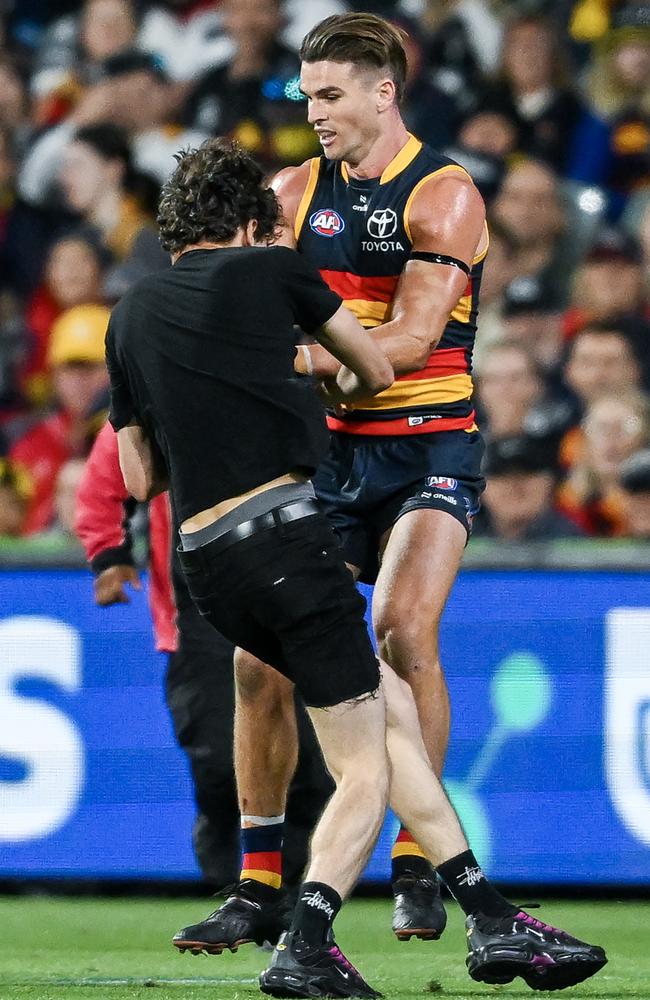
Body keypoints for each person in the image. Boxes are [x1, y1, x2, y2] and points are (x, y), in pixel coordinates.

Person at [108, 136, 605, 998]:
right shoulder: (271, 277)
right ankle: (308, 939)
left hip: (206, 564)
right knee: (369, 752)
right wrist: (290, 370)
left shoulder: (130, 316)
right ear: (255, 222)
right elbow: (377, 365)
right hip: (287, 544)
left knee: (381, 708)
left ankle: (492, 919)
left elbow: (137, 476)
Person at [75, 420, 335, 889]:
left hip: (292, 600)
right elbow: (105, 473)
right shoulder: (158, 381)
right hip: (194, 617)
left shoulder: (284, 374)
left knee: (312, 774)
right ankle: (231, 882)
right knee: (218, 765)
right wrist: (109, 554)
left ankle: (282, 896)